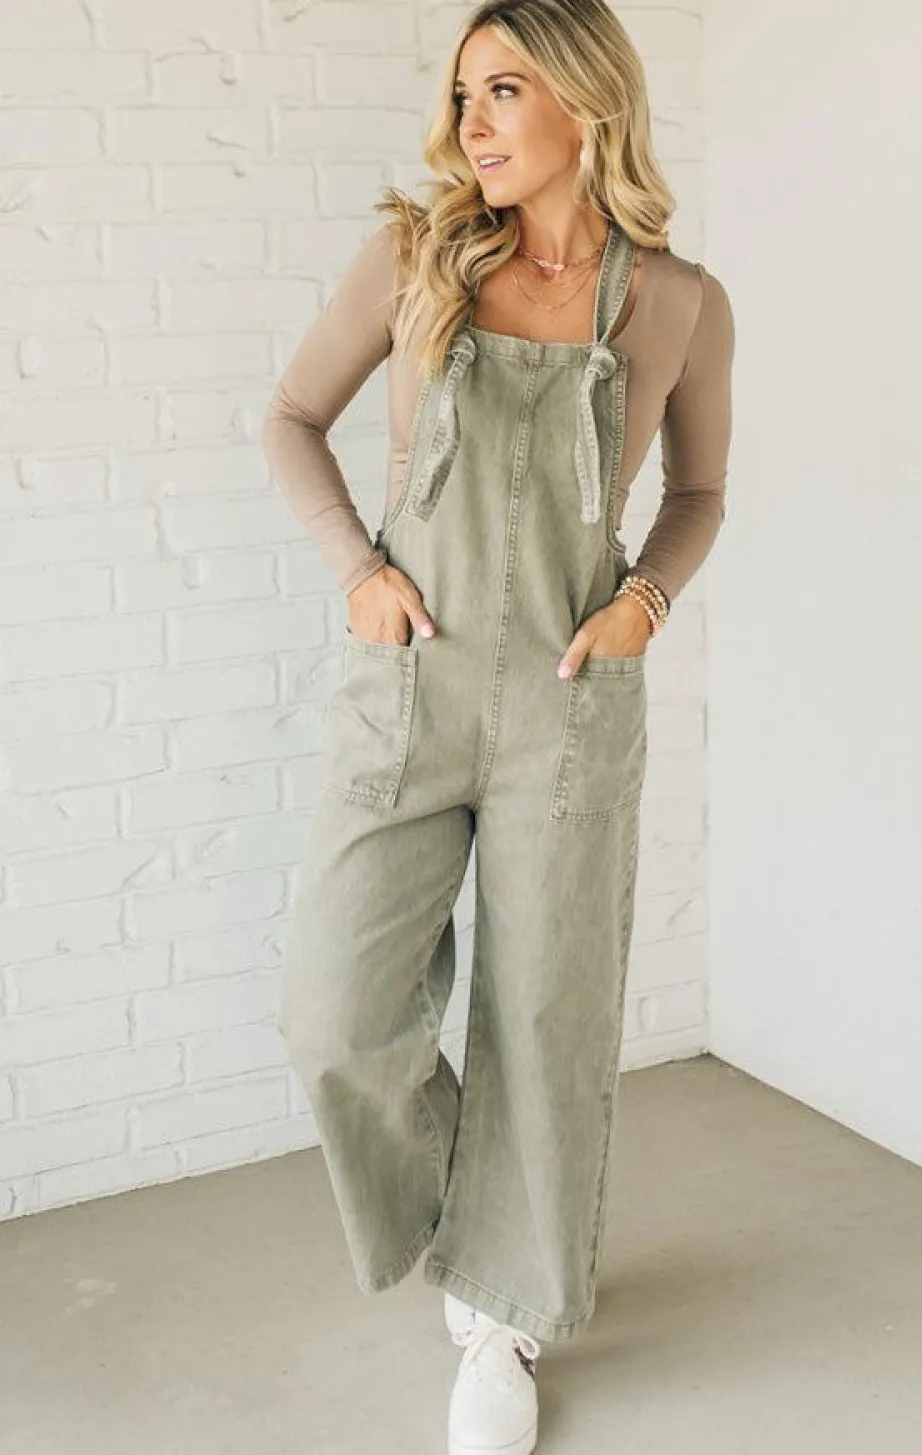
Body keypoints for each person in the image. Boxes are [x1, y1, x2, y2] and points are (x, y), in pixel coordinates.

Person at [261, 1, 735, 1450]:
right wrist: (359, 571)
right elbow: (289, 418)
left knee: (544, 1019)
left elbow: (700, 493)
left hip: (568, 708)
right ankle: (485, 1215)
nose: (472, 120)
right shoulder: (415, 259)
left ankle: (499, 1311)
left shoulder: (678, 302)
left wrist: (645, 600)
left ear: (588, 102)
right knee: (334, 1013)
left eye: (506, 88)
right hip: (410, 686)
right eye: (464, 90)